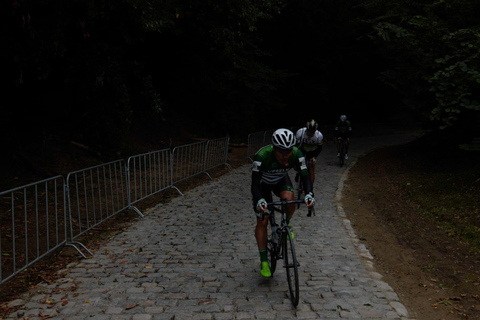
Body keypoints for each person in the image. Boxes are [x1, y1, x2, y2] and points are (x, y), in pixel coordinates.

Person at [251, 128, 315, 278]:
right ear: (274, 148)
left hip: (280, 181)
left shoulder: (297, 155)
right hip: (262, 186)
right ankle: (264, 261)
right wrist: (260, 199)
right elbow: (254, 184)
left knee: (290, 198)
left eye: (288, 151)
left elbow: (305, 177)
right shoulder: (261, 156)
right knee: (263, 220)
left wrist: (309, 194)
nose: (285, 156)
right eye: (281, 151)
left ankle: (287, 224)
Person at [295, 119, 324, 184]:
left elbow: (319, 148)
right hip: (302, 150)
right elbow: (295, 145)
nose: (310, 133)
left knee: (311, 168)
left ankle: (310, 189)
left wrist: (314, 156)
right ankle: (299, 172)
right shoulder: (300, 132)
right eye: (309, 131)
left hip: (312, 152)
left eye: (312, 132)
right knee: (296, 165)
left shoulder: (319, 135)